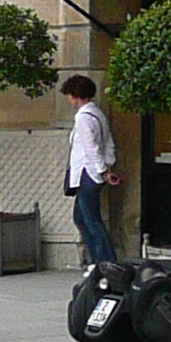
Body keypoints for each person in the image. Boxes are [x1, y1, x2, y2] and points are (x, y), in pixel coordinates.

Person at [63, 73, 121, 267]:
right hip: (93, 172)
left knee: (90, 220)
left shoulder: (83, 118)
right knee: (81, 218)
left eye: (69, 95)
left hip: (88, 173)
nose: (68, 99)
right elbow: (108, 143)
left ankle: (105, 262)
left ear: (75, 95)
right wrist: (107, 167)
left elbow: (91, 148)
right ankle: (99, 261)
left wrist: (102, 170)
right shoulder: (97, 114)